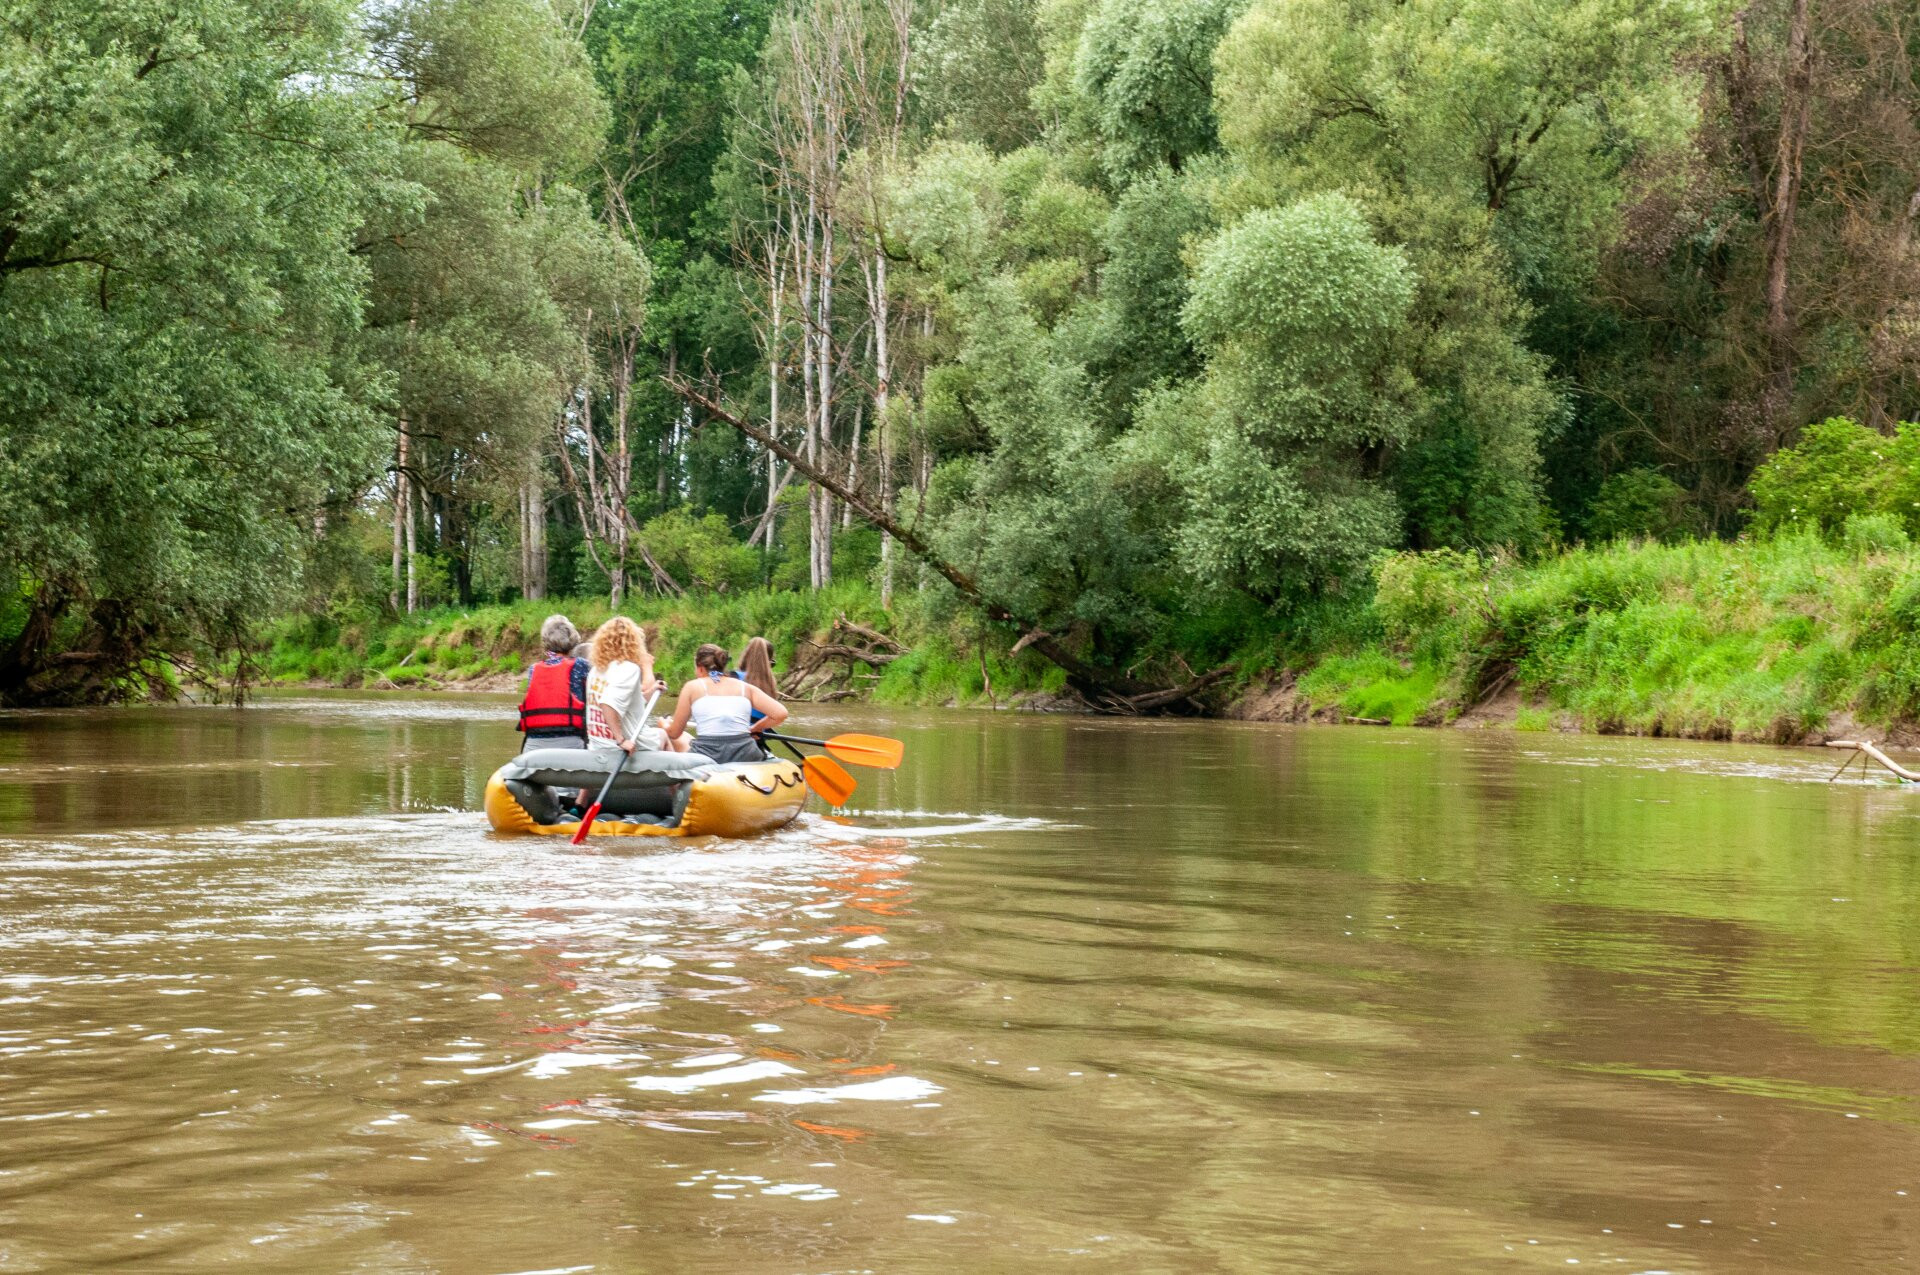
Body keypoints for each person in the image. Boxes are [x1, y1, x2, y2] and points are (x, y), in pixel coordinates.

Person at [664, 643, 786, 764]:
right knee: (686, 737)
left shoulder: (692, 687)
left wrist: (663, 725)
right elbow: (781, 714)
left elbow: (674, 734)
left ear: (700, 667)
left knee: (672, 737)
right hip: (746, 752)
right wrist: (755, 728)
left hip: (707, 754)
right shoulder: (745, 687)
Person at [586, 616, 682, 755]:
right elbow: (607, 703)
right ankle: (675, 769)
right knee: (663, 735)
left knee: (658, 734)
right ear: (633, 643)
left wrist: (652, 691)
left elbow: (627, 704)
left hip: (598, 744)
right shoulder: (628, 669)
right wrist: (621, 741)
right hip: (624, 744)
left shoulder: (596, 670)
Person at [516, 615, 587, 751]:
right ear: (572, 639)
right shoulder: (581, 665)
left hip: (533, 747)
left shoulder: (533, 669)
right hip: (570, 744)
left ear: (546, 642)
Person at [734, 635, 778, 726]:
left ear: (746, 655)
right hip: (759, 731)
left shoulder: (734, 677)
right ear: (770, 662)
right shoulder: (770, 682)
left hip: (738, 730)